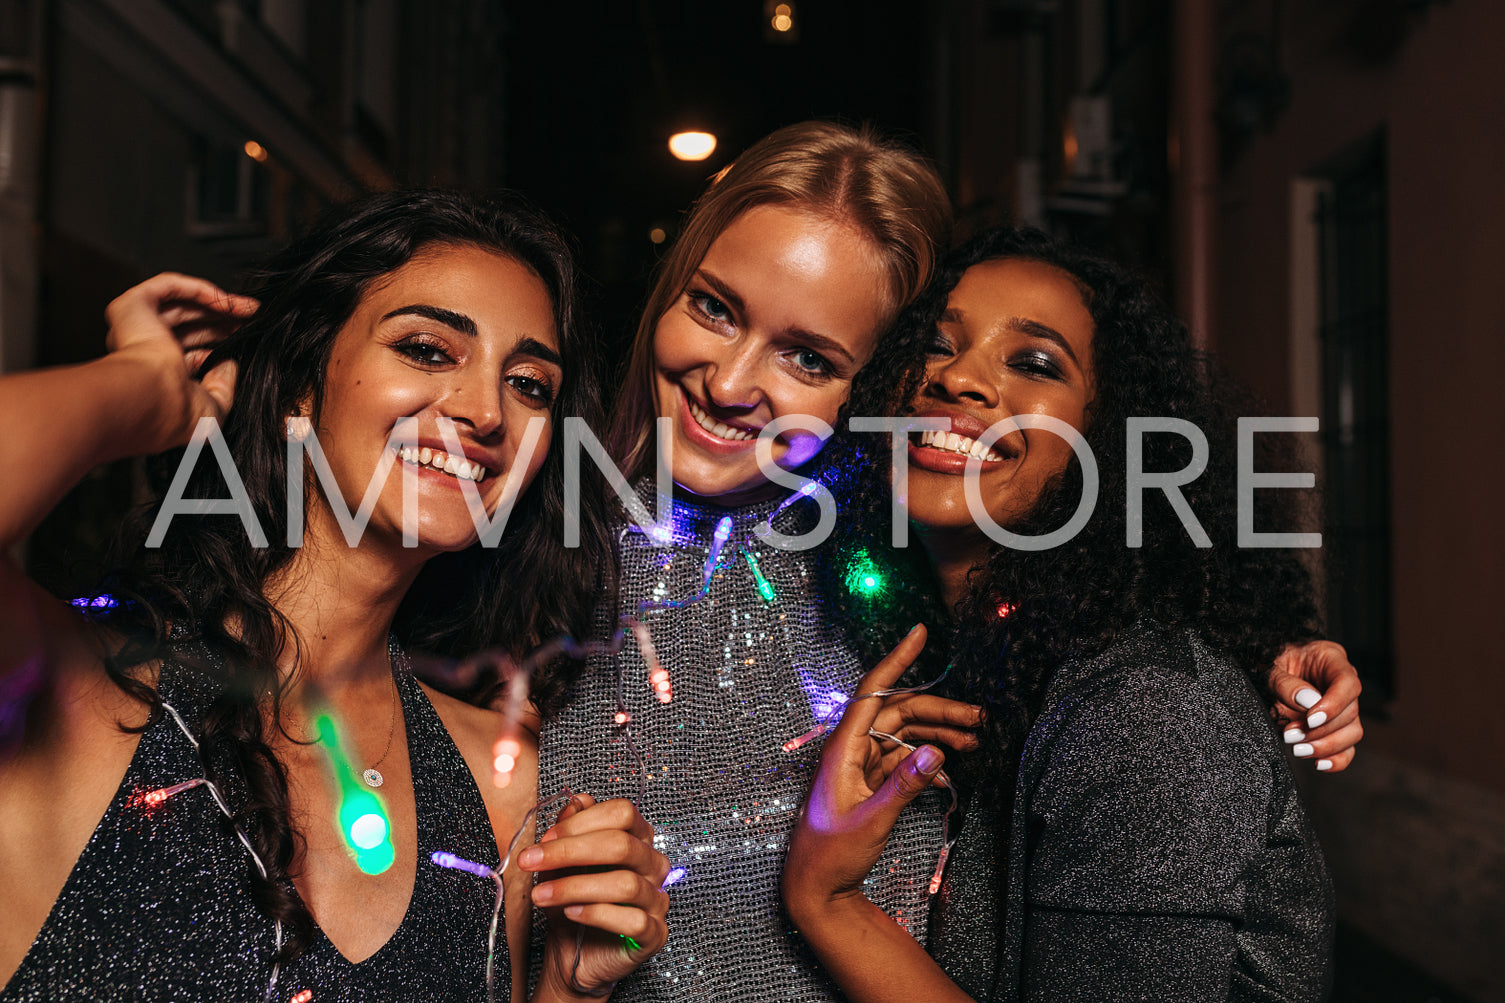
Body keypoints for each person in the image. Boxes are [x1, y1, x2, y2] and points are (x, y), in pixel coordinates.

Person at [537, 123, 1357, 1003]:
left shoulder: (1122, 698)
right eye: (713, 307)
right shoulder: (532, 567)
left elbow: (1155, 711)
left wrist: (826, 896)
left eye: (809, 355)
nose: (733, 381)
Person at [0, 190, 668, 1002]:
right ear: (301, 390)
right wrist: (142, 388)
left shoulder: (501, 784)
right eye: (426, 348)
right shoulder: (74, 692)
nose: (487, 410)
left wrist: (572, 986)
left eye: (529, 384)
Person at [782, 225, 1344, 1001]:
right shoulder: (973, 656)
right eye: (935, 343)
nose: (960, 380)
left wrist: (827, 898)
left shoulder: (1146, 708)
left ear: (1102, 442)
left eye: (1035, 362)